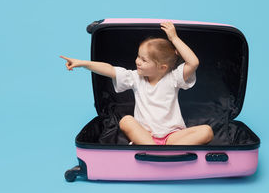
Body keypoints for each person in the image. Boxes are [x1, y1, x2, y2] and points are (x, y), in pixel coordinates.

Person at [60, 21, 214, 145]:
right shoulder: (135, 78)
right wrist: (82, 63)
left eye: (144, 60)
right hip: (145, 135)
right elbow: (109, 69)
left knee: (207, 131)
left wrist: (174, 38)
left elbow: (193, 62)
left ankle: (161, 151)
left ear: (162, 67)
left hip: (172, 137)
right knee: (126, 121)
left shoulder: (173, 79)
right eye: (138, 56)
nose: (137, 61)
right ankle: (155, 150)